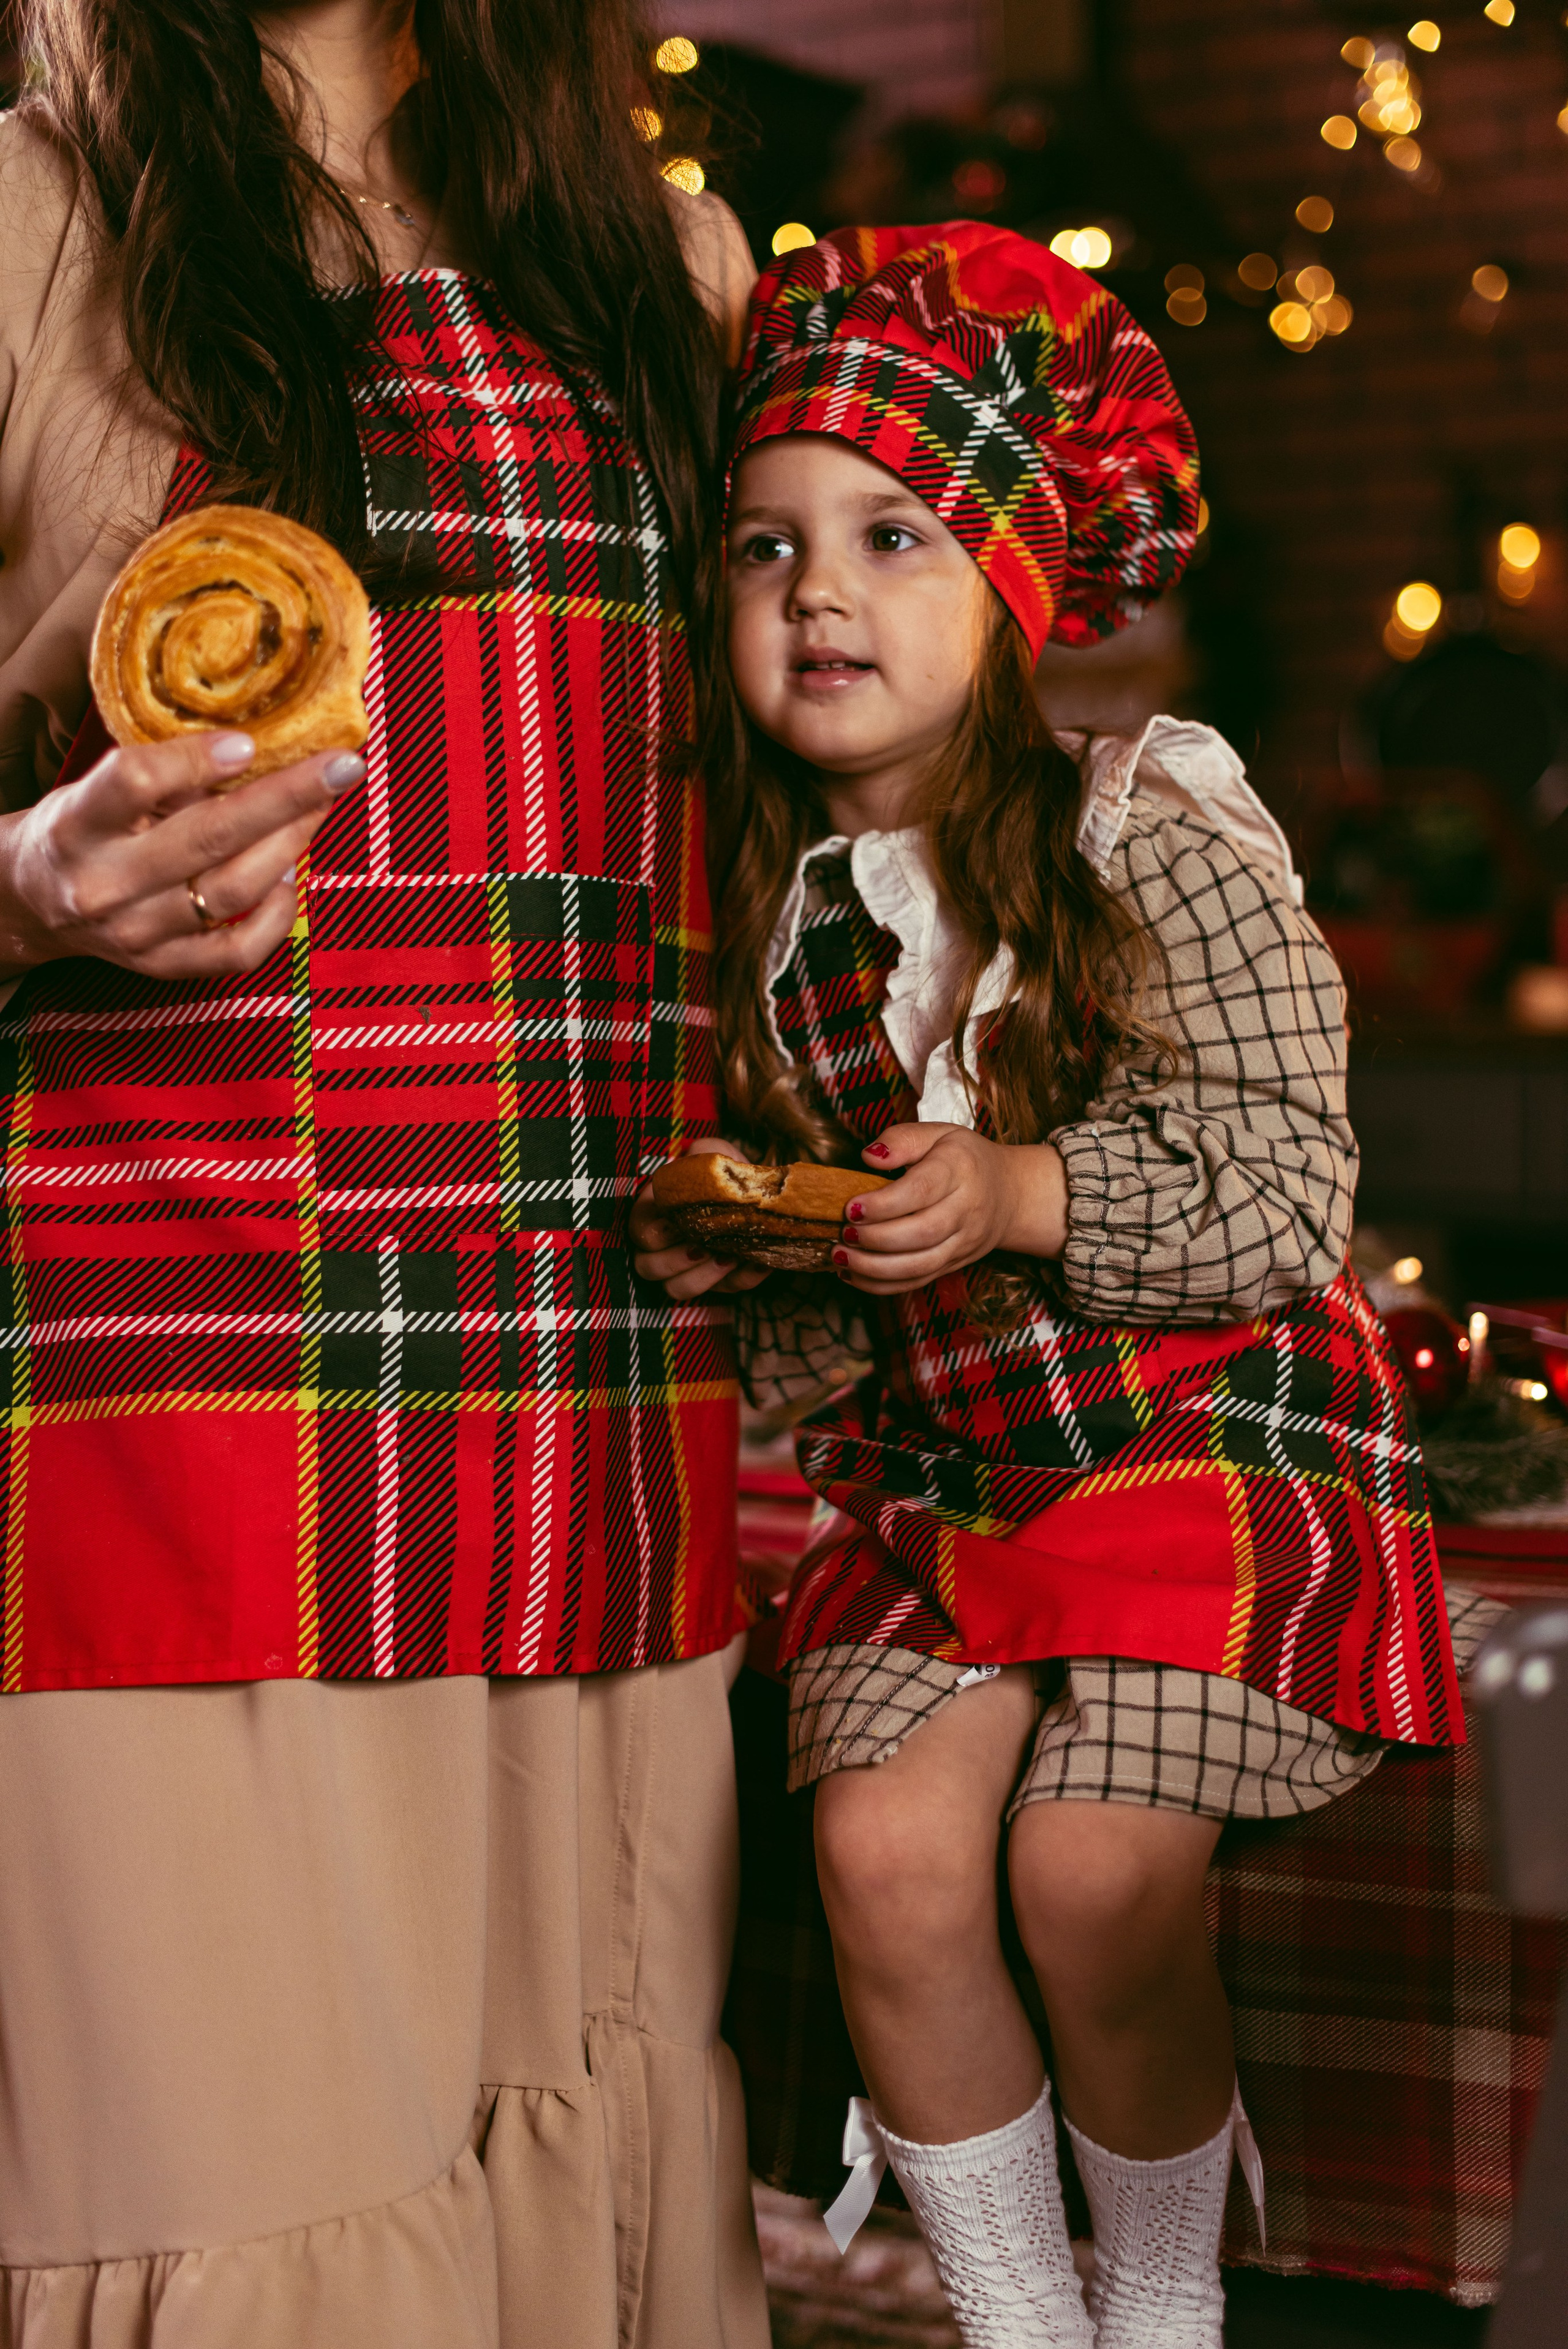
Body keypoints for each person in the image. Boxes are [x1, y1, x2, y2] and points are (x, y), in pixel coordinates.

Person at [0, 4, 764, 2345]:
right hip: (189, 1398)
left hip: (598, 1386)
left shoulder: (675, 270)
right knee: (252, 2195)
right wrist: (28, 884)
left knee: (573, 2156)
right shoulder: (27, 216)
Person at [632, 221, 1463, 2349]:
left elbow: (1289, 1189)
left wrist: (1015, 1190)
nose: (814, 588)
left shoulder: (1152, 827)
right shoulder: (769, 922)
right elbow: (832, 1364)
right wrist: (771, 1254)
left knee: (1095, 1871)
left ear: (1008, 589)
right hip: (959, 1476)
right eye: (760, 546)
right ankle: (1022, 2321)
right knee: (891, 1862)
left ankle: (1161, 2313)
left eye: (890, 534)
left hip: (1206, 1423)